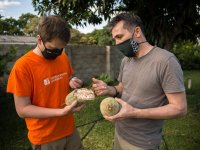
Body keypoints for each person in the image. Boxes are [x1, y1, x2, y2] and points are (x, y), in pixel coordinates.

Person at [92, 13, 187, 150]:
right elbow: (122, 89)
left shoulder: (166, 61)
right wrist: (109, 89)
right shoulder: (126, 61)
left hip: (143, 142)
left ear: (137, 31)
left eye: (120, 37)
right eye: (115, 39)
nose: (117, 43)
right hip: (120, 133)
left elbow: (180, 108)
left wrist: (134, 112)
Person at [7, 16, 84, 150]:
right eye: (53, 49)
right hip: (45, 137)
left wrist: (71, 82)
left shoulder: (62, 57)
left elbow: (64, 78)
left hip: (69, 129)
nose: (57, 53)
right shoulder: (22, 67)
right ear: (39, 40)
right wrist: (61, 112)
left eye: (61, 49)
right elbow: (22, 110)